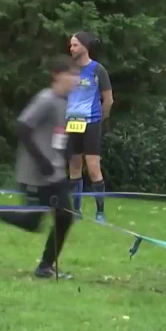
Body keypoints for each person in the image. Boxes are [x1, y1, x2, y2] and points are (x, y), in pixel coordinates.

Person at [0, 56, 80, 279]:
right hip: (35, 174)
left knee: (63, 217)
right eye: (72, 75)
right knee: (35, 221)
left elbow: (61, 136)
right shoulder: (46, 99)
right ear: (57, 76)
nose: (76, 80)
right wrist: (42, 162)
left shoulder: (65, 102)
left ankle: (45, 267)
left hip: (53, 173)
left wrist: (65, 164)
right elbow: (22, 127)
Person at [67, 31, 113, 222]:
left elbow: (108, 99)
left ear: (85, 47)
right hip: (72, 123)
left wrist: (100, 119)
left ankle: (100, 212)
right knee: (74, 167)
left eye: (75, 45)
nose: (71, 48)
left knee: (94, 168)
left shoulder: (97, 70)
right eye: (70, 45)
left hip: (91, 123)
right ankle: (76, 211)